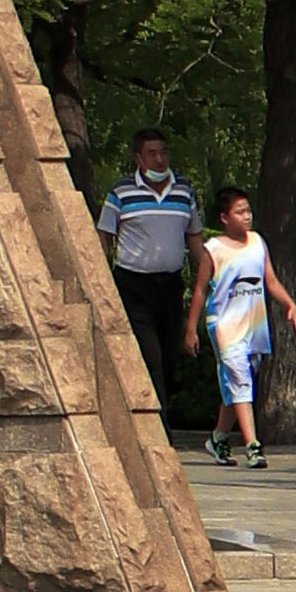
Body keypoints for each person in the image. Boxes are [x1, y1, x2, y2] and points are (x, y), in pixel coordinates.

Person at [195, 189, 296, 467]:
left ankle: (218, 438)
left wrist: (290, 303)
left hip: (253, 327)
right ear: (224, 217)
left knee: (237, 386)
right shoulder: (213, 249)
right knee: (240, 382)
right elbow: (200, 289)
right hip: (225, 328)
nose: (247, 216)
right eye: (240, 212)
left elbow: (271, 280)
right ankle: (252, 446)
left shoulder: (257, 242)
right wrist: (190, 329)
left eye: (248, 211)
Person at [98, 135, 198, 424]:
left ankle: (156, 414)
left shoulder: (183, 191)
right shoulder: (121, 191)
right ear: (139, 159)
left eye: (163, 152)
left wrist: (206, 272)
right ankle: (160, 428)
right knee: (150, 357)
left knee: (168, 358)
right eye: (152, 154)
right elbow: (104, 234)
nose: (159, 159)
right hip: (134, 285)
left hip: (169, 286)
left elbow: (194, 237)